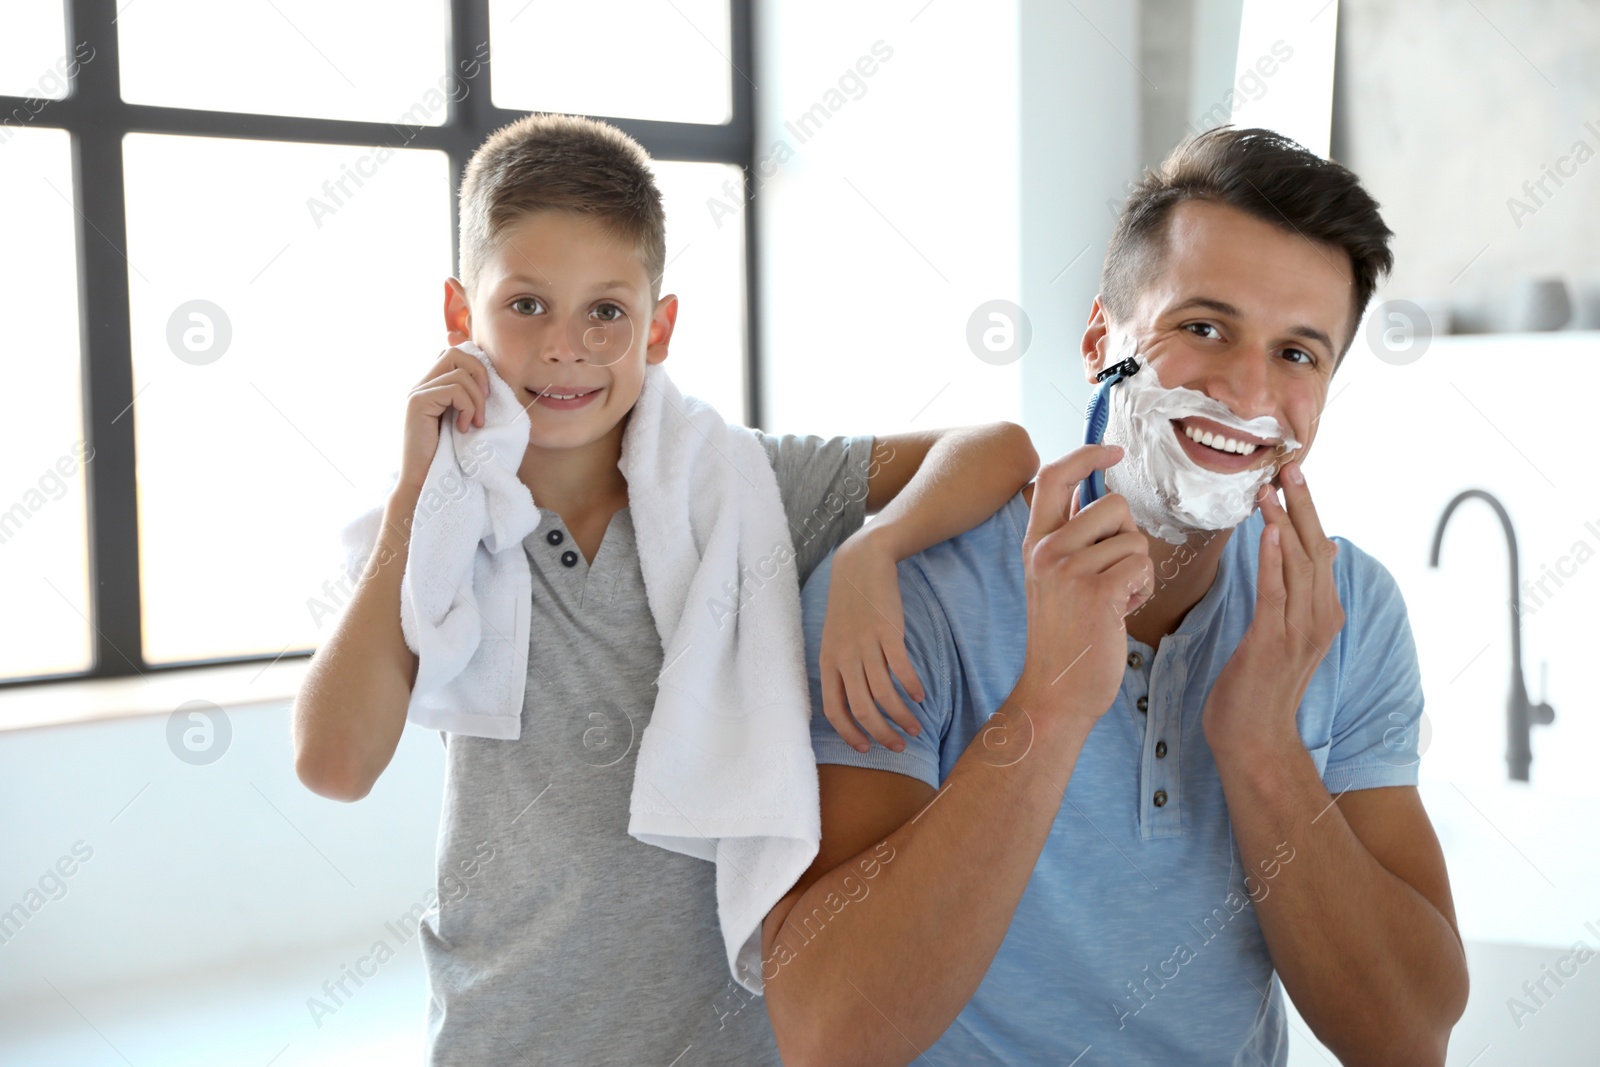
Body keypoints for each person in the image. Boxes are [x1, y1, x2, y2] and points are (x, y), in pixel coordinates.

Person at [289, 112, 1040, 1065]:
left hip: (720, 1041)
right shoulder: (442, 522)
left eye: (607, 311)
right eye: (526, 305)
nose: (567, 348)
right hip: (502, 1032)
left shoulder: (744, 489)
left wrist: (872, 550)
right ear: (457, 315)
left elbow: (1000, 449)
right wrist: (413, 488)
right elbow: (333, 764)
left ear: (661, 326)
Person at [763, 127, 1469, 1066]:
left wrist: (1264, 746)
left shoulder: (1347, 611)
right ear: (1105, 339)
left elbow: (1407, 1037)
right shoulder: (914, 592)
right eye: (1204, 328)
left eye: (1298, 354)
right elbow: (831, 1031)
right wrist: (1048, 710)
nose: (1248, 390)